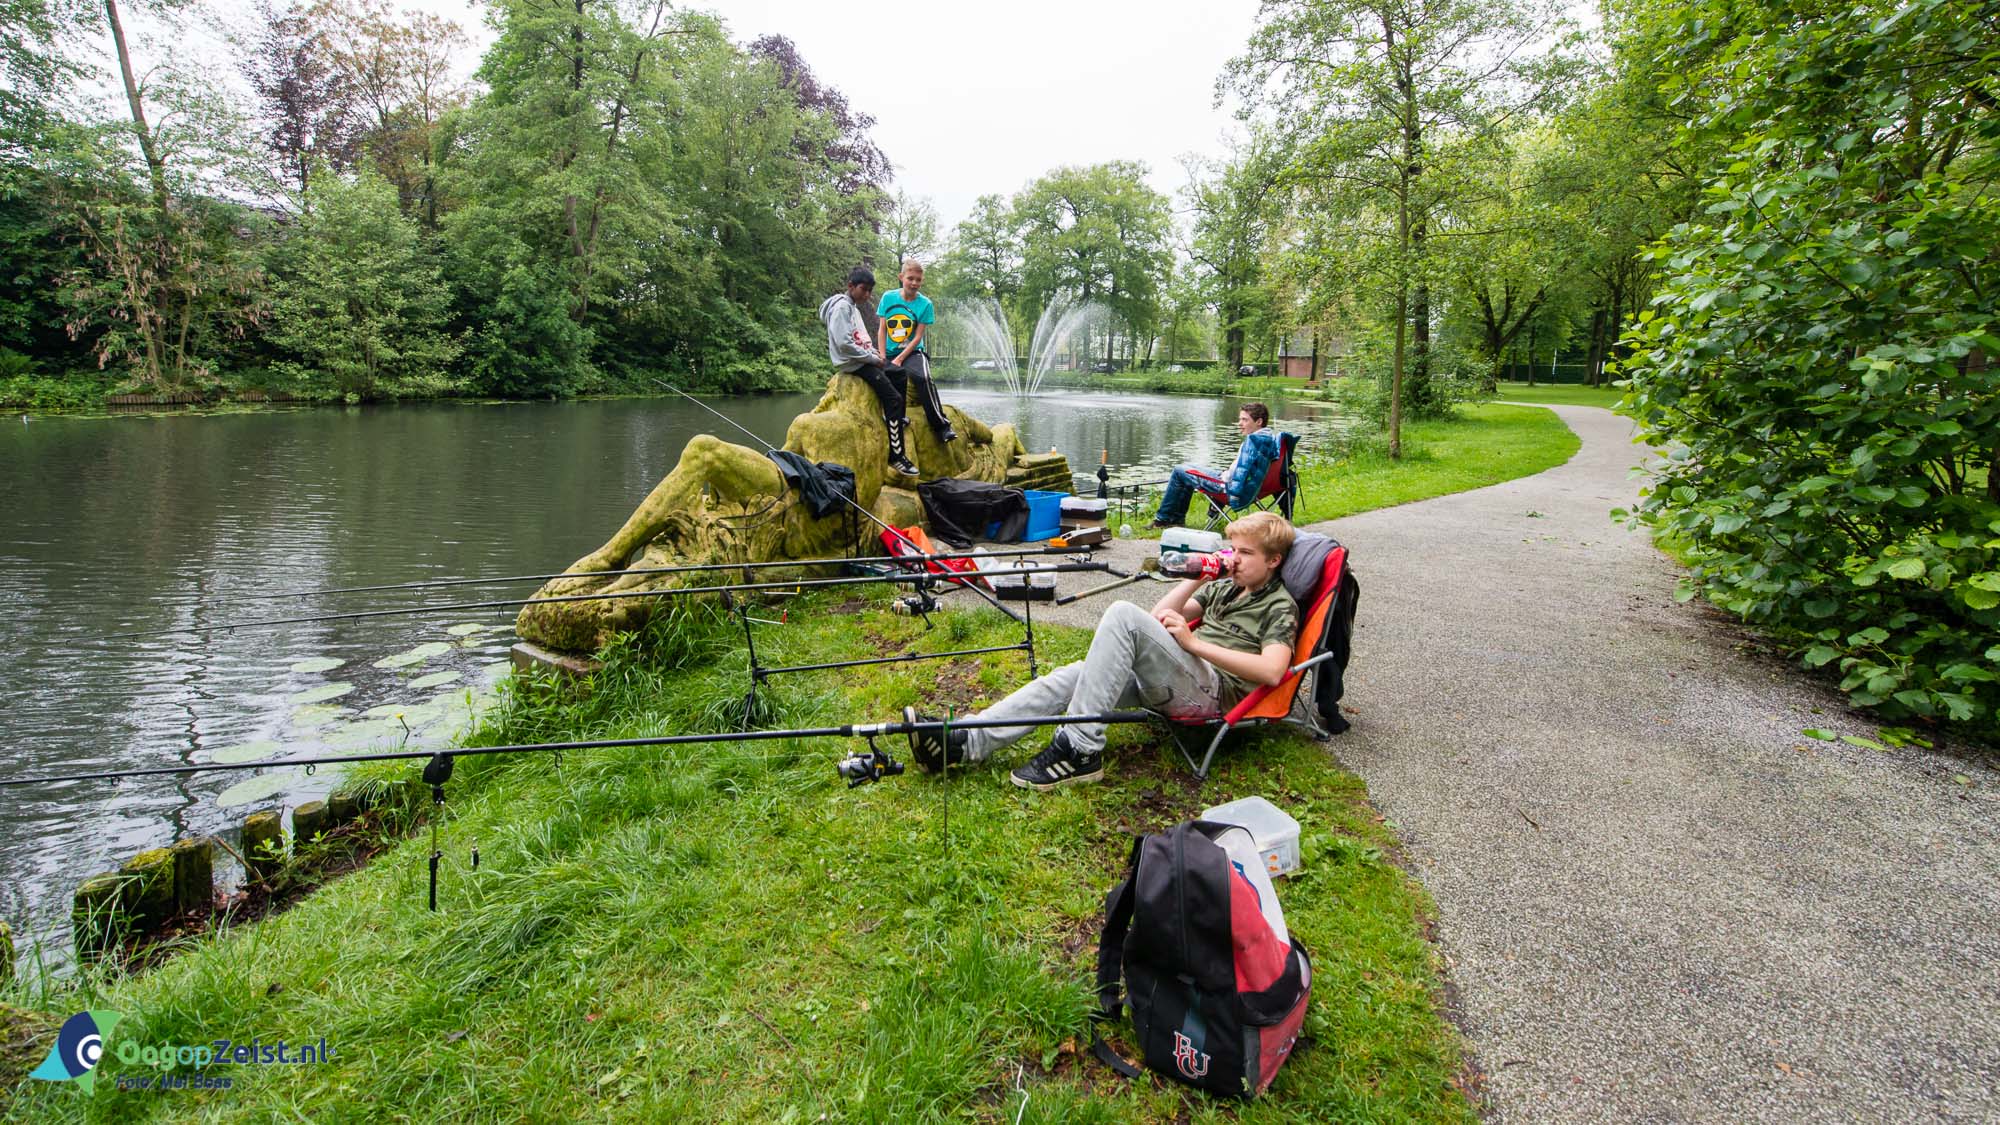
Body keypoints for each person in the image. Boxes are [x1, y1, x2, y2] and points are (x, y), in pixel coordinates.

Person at [905, 511, 1300, 790]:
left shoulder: (1279, 606)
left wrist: (1194, 644)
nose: (1234, 559)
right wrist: (1200, 576)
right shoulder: (1226, 588)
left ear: (1273, 560)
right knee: (1070, 678)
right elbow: (1157, 618)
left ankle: (1080, 749)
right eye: (1233, 550)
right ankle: (966, 741)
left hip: (1214, 694)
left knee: (1123, 615)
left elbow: (1271, 671)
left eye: (1245, 553)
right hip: (1181, 676)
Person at [819, 266, 919, 476]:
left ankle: (896, 419)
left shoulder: (853, 308)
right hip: (853, 364)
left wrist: (875, 354)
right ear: (851, 286)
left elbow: (861, 340)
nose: (867, 294)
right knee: (893, 398)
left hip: (863, 358)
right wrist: (873, 359)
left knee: (899, 373)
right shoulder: (841, 308)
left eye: (869, 291)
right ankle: (897, 456)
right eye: (863, 289)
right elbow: (844, 344)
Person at [1149, 402, 1281, 528]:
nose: (1240, 423)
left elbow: (1236, 476)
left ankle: (1164, 519)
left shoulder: (1253, 442)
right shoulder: (1269, 439)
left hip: (1228, 487)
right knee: (1187, 467)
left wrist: (1225, 479)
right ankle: (1175, 519)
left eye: (1245, 420)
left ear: (1259, 422)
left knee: (1179, 471)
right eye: (1240, 419)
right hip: (1248, 486)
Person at [874, 259, 956, 443]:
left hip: (913, 352)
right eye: (910, 278)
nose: (914, 283)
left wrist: (900, 359)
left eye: (918, 280)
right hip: (888, 351)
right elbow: (882, 329)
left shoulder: (925, 304)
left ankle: (942, 426)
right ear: (901, 277)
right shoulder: (888, 298)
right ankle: (899, 418)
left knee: (923, 378)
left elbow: (918, 337)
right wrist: (882, 357)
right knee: (884, 377)